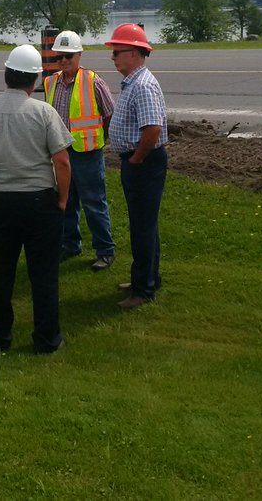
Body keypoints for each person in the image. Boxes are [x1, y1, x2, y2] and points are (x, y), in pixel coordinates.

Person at [0, 45, 73, 354]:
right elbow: (61, 161)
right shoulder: (43, 112)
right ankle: (47, 340)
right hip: (39, 203)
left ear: (7, 74)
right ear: (34, 80)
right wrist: (62, 199)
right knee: (44, 275)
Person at [41, 30, 117, 271]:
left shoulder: (94, 81)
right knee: (65, 201)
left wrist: (100, 138)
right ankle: (70, 245)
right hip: (60, 153)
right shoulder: (50, 82)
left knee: (94, 202)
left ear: (79, 55)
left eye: (69, 56)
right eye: (59, 57)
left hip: (87, 153)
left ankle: (105, 251)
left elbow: (109, 115)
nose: (63, 61)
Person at [105, 23, 168, 310]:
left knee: (142, 227)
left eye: (117, 52)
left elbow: (152, 128)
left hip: (144, 164)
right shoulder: (133, 82)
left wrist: (137, 158)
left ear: (133, 53)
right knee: (144, 224)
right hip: (138, 163)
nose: (114, 57)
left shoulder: (142, 85)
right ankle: (148, 277)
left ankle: (143, 290)